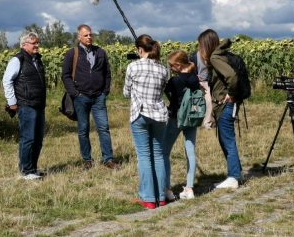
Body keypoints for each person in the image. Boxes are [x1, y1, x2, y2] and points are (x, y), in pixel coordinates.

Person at [62, 24, 118, 170]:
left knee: (103, 128)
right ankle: (87, 160)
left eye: (90, 35)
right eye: (86, 35)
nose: (89, 37)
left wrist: (105, 91)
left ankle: (108, 159)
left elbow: (107, 73)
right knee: (83, 129)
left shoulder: (100, 52)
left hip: (98, 97)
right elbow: (66, 75)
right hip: (81, 97)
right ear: (79, 37)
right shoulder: (72, 53)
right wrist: (75, 93)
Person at [123, 34, 169, 209]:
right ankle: (161, 196)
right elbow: (162, 90)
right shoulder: (163, 69)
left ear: (139, 49)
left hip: (140, 113)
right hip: (159, 115)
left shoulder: (133, 67)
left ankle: (148, 198)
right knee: (157, 155)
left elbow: (126, 93)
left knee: (144, 156)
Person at [198, 29, 242, 189]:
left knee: (228, 140)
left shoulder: (215, 58)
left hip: (226, 105)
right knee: (225, 139)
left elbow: (231, 76)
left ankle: (233, 177)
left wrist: (231, 93)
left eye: (200, 45)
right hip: (225, 104)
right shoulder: (219, 56)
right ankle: (235, 173)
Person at [2, 32, 46, 180]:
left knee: (38, 139)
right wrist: (12, 103)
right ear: (24, 45)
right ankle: (26, 171)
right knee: (28, 138)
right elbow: (7, 81)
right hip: (26, 104)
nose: (37, 46)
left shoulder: (37, 60)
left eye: (37, 43)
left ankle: (32, 168)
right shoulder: (17, 59)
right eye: (34, 43)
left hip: (39, 104)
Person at [163, 50, 201, 201]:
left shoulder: (175, 81)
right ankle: (190, 188)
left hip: (176, 118)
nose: (171, 68)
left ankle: (167, 189)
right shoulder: (195, 78)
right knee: (190, 152)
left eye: (171, 66)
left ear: (178, 65)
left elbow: (167, 92)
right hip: (192, 118)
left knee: (164, 152)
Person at [190, 50, 215, 129]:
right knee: (205, 102)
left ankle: (200, 120)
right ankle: (203, 121)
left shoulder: (195, 55)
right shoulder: (210, 54)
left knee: (199, 102)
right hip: (203, 82)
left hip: (203, 82)